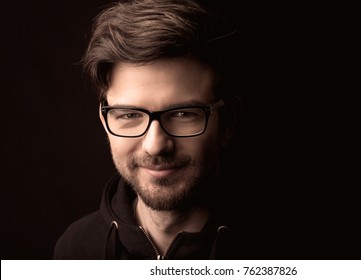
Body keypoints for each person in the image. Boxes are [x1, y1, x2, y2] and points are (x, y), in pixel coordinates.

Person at [53, 0, 242, 260]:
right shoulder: (76, 250)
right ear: (104, 122)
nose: (155, 145)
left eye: (183, 114)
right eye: (130, 115)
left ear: (227, 121)